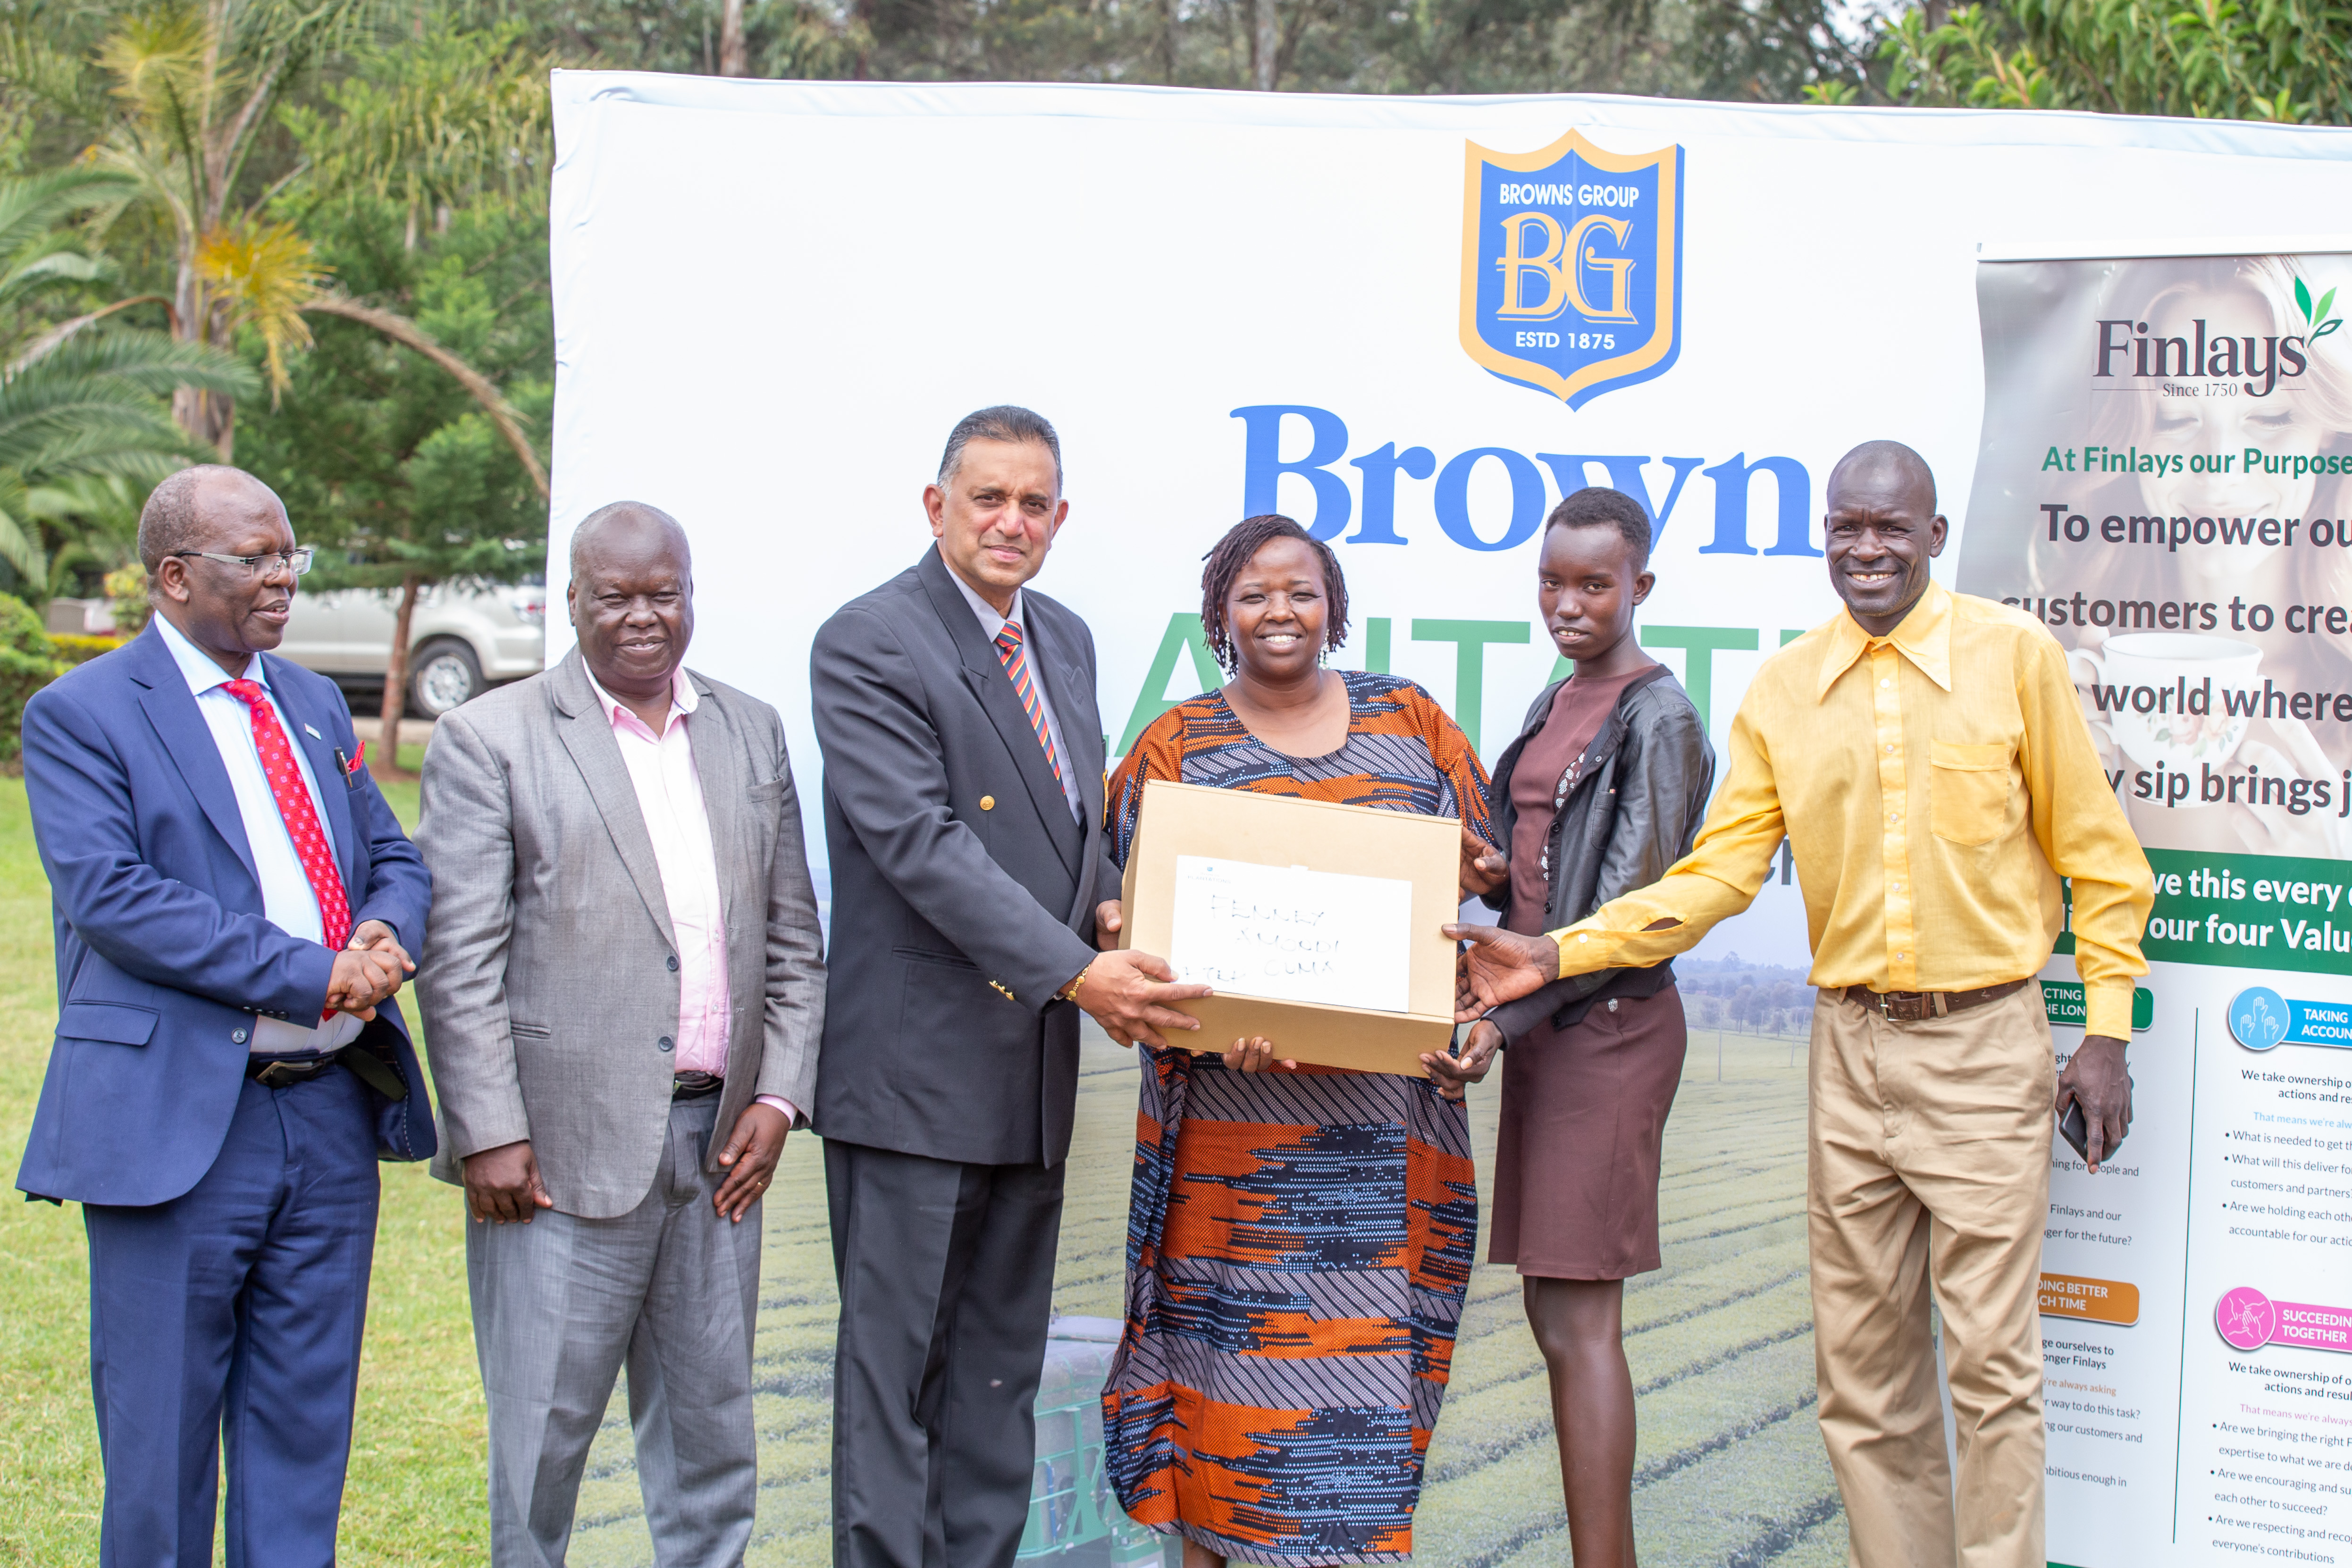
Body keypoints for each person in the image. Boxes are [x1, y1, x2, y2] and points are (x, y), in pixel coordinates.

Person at [1448, 441, 2154, 1568]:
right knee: (1861, 1381)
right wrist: (1557, 950)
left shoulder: (2011, 657)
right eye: (1844, 527)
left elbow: (2101, 865)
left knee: (1989, 1370)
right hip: (1849, 1053)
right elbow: (1716, 877)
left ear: (1932, 536)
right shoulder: (1785, 686)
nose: (1864, 548)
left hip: (1982, 1045)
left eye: (1889, 527)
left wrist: (2104, 1033)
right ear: (1822, 535)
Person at [811, 405, 1210, 1568]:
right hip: (914, 1076)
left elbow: (1069, 821)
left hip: (1028, 1071)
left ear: (1060, 519)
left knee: (997, 1378)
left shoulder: (1067, 639)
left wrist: (1108, 904)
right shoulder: (870, 640)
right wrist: (1082, 970)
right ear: (935, 506)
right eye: (987, 497)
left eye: (1033, 503)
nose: (1009, 522)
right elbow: (920, 844)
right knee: (897, 1386)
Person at [15, 464, 431, 1567]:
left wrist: (387, 937)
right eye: (255, 559)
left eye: (290, 555)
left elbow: (390, 851)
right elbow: (117, 901)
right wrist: (314, 973)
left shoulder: (303, 699)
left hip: (330, 1113)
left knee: (304, 1432)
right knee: (159, 1447)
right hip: (182, 1122)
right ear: (173, 576)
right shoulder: (81, 716)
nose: (282, 579)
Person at [416, 502, 826, 1567]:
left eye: (664, 593)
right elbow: (458, 960)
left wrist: (778, 1099)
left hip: (719, 1156)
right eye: (616, 596)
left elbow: (792, 940)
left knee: (712, 1455)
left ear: (690, 594)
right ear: (571, 602)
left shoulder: (749, 729)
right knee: (541, 1458)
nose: (643, 617)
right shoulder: (487, 739)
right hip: (556, 1163)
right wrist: (488, 1134)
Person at [1098, 512, 1505, 1568]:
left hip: (1382, 1147)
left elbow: (1483, 883)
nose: (1278, 611)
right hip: (1233, 1149)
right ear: (1217, 617)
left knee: (1357, 1422)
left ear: (1332, 608)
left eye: (1300, 592)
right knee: (1222, 1404)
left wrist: (1477, 1004)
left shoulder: (1410, 721)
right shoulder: (1175, 744)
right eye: (1252, 594)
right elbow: (1116, 913)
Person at [1440, 486, 1713, 1567]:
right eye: (1552, 581)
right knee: (1557, 1318)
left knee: (1579, 1323)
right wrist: (1489, 867)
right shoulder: (1558, 699)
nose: (1568, 601)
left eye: (1593, 584)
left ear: (1638, 587)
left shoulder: (1660, 714)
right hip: (1546, 1026)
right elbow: (1537, 877)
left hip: (1604, 1031)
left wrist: (1501, 1022)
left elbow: (1627, 923)